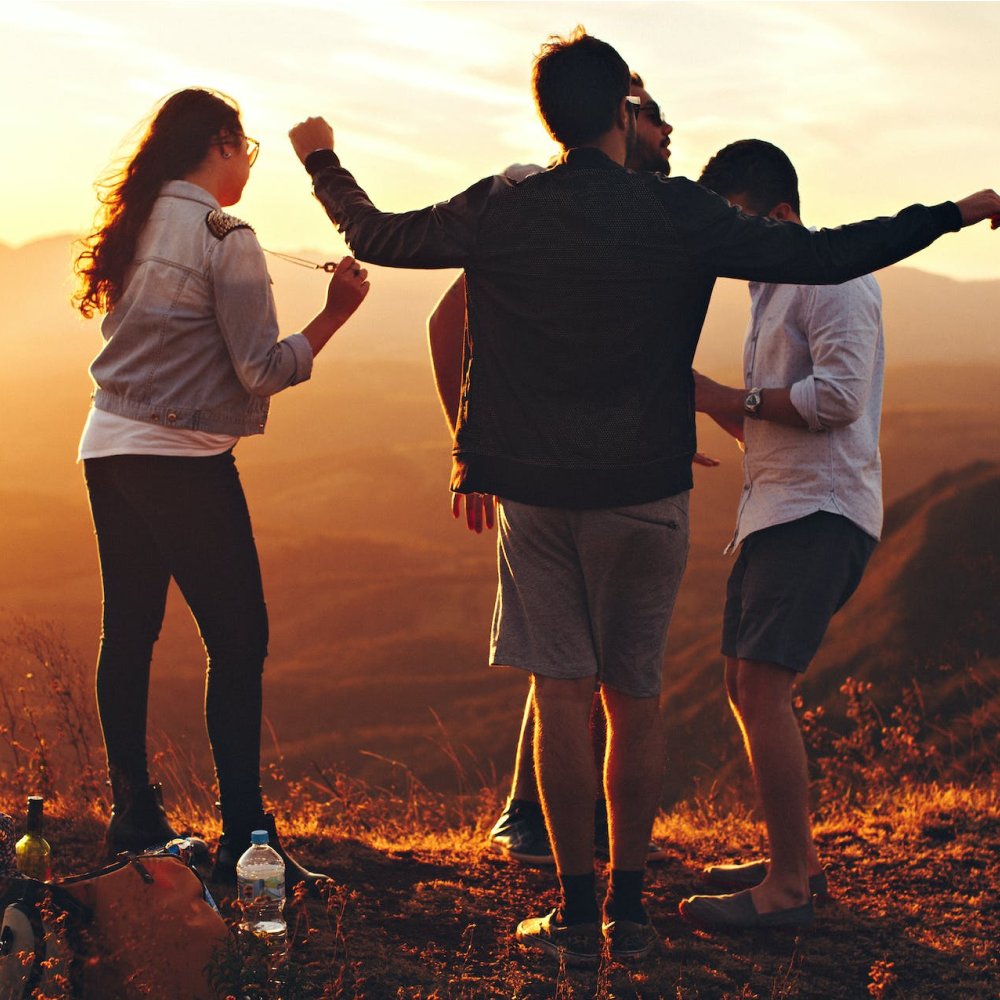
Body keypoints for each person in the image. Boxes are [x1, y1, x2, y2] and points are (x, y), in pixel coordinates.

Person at [289, 27, 998, 965]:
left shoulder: (505, 205)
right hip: (650, 491)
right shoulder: (674, 213)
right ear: (625, 111)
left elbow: (379, 235)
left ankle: (577, 917)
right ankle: (629, 906)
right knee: (637, 701)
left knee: (560, 690)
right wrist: (951, 210)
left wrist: (322, 160)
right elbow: (827, 253)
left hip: (538, 493)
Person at [73, 88, 370, 887]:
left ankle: (133, 813)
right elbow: (262, 369)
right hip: (183, 458)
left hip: (107, 445)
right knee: (239, 640)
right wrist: (336, 313)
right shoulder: (225, 236)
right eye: (247, 151)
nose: (248, 167)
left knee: (130, 631)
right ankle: (248, 839)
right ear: (221, 144)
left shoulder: (137, 222)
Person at [428, 71, 681, 869]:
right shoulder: (531, 199)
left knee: (576, 665)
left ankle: (562, 841)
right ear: (616, 116)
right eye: (654, 114)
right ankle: (535, 823)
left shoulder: (631, 218)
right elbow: (447, 321)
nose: (671, 132)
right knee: (571, 667)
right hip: (546, 472)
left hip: (603, 467)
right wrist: (473, 449)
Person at [675, 140, 886, 930]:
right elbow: (772, 418)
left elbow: (835, 400)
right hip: (778, 508)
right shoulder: (770, 289)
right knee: (743, 683)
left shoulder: (830, 279)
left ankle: (790, 889)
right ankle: (792, 859)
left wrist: (732, 394)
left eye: (734, 221)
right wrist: (706, 402)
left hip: (819, 513)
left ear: (783, 214)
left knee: (762, 686)